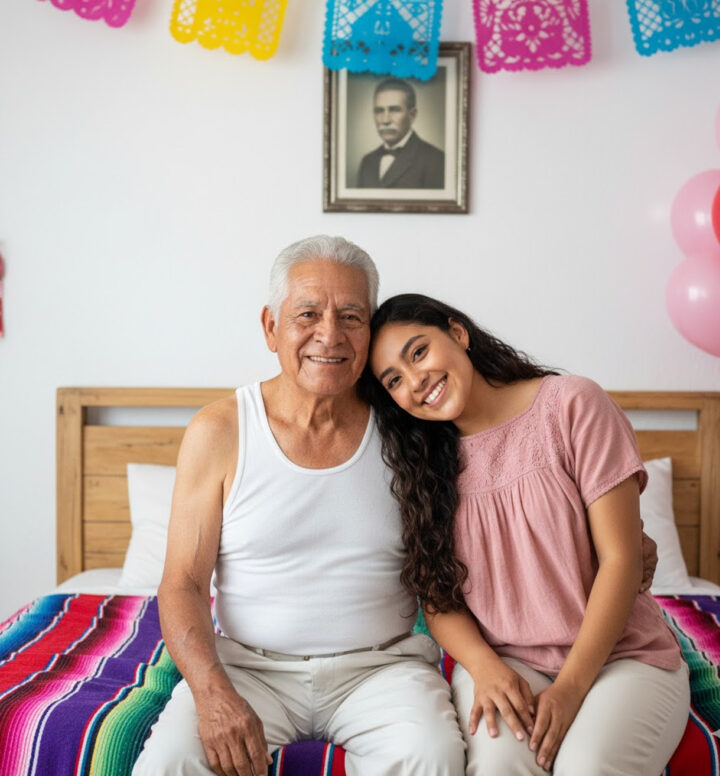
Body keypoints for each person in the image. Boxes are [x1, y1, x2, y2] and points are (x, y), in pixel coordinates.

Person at [132, 237, 466, 776]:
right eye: (307, 314)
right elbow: (182, 584)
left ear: (371, 331)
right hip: (248, 669)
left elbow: (511, 466)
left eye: (351, 316)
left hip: (383, 670)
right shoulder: (220, 430)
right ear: (270, 327)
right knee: (168, 764)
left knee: (436, 757)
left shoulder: (412, 424)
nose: (329, 335)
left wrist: (604, 532)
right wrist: (214, 695)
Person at [363, 293, 691, 776]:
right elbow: (438, 601)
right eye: (394, 380)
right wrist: (485, 668)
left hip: (622, 656)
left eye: (418, 352)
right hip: (508, 663)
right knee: (496, 768)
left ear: (458, 333)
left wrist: (571, 687)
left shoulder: (571, 405)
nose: (416, 381)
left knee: (587, 767)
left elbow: (622, 560)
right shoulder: (421, 470)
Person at [357, 78, 445, 189]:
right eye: (379, 111)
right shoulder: (367, 162)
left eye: (394, 110)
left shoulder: (436, 161)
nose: (385, 120)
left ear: (412, 115)